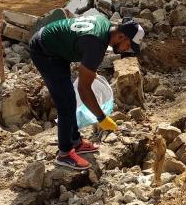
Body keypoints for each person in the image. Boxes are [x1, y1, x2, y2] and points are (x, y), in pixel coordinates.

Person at [29, 14, 145, 170]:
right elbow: (83, 90)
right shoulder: (97, 44)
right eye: (128, 45)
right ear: (120, 35)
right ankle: (64, 154)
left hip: (57, 47)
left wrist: (90, 70)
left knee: (69, 97)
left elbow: (82, 44)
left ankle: (75, 142)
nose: (126, 50)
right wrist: (102, 118)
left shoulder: (104, 24)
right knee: (66, 102)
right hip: (44, 51)